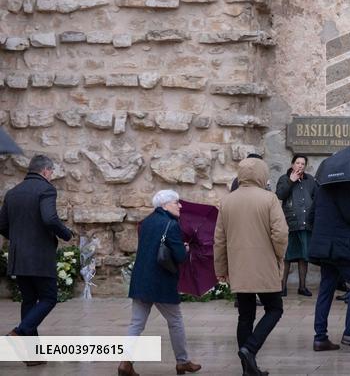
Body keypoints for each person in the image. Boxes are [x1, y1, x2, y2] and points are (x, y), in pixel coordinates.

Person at [214, 157, 288, 376]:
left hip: (238, 266)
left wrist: (221, 269)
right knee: (275, 308)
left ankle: (248, 369)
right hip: (264, 264)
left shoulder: (227, 201)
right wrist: (278, 255)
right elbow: (281, 233)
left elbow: (219, 239)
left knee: (245, 316)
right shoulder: (269, 198)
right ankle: (250, 349)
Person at [0, 154, 74, 366]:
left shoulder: (12, 193)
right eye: (51, 173)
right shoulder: (46, 189)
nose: (51, 176)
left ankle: (33, 356)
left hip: (18, 256)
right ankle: (18, 332)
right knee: (49, 297)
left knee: (29, 301)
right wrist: (66, 234)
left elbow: (2, 225)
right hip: (39, 256)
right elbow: (49, 218)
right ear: (46, 171)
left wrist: (19, 240)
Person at [118, 190, 201, 376]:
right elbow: (179, 256)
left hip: (141, 280)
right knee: (176, 321)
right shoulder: (171, 225)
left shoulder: (146, 222)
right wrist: (185, 248)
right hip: (161, 282)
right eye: (176, 202)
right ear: (164, 205)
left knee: (136, 323)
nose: (180, 206)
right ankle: (182, 362)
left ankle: (125, 362)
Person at [309, 177, 350, 350]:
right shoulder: (345, 187)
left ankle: (320, 337)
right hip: (343, 248)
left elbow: (311, 217)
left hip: (326, 249)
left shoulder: (323, 188)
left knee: (326, 290)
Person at [275, 154, 318, 297]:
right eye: (298, 163)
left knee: (303, 257)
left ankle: (302, 287)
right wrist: (290, 181)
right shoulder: (284, 178)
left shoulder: (310, 180)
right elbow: (280, 195)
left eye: (303, 164)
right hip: (290, 223)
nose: (300, 166)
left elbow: (316, 197)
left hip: (306, 223)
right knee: (287, 256)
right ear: (292, 164)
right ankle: (282, 287)